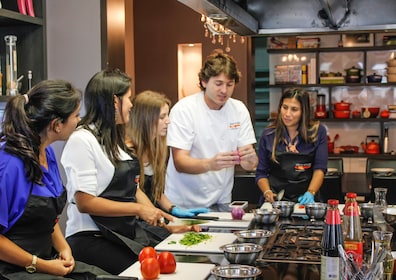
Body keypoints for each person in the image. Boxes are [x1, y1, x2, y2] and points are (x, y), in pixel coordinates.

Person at [60, 69, 178, 275]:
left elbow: (134, 188)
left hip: (121, 233)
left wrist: (161, 220)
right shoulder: (82, 140)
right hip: (90, 238)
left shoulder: (114, 140)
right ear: (115, 102)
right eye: (128, 98)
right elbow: (84, 202)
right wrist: (138, 210)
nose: (131, 104)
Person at [0, 80, 110, 279]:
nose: (79, 121)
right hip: (12, 269)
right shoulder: (9, 164)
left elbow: (45, 219)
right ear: (56, 125)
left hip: (44, 259)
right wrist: (41, 265)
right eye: (76, 115)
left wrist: (64, 248)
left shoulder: (47, 153)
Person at [165, 49, 258, 211]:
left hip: (221, 200)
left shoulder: (239, 109)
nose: (224, 90)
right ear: (204, 82)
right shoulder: (184, 109)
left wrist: (251, 159)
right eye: (218, 83)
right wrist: (210, 164)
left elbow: (249, 164)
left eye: (229, 85)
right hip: (184, 202)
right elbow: (180, 162)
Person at [127, 90, 209, 218]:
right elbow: (136, 193)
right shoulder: (128, 154)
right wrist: (163, 220)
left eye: (167, 115)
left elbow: (156, 192)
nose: (168, 121)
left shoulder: (157, 149)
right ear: (145, 120)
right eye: (162, 117)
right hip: (136, 222)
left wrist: (173, 209)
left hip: (153, 217)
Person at [255, 88, 328, 205]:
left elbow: (320, 169)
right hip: (276, 200)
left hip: (305, 199)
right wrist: (267, 192)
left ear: (304, 112)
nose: (287, 114)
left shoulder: (318, 132)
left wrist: (311, 192)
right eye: (285, 107)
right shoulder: (269, 134)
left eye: (294, 109)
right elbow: (261, 173)